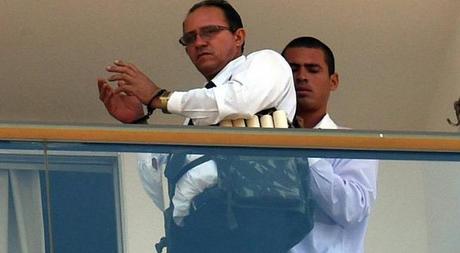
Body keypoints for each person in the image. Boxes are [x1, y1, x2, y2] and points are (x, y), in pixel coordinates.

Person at [97, 0, 296, 126]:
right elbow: (163, 182)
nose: (199, 42)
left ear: (238, 37)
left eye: (210, 31)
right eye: (190, 38)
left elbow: (237, 102)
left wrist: (160, 98)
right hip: (209, 196)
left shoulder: (267, 62)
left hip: (267, 193)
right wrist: (138, 122)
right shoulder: (193, 117)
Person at [281, 36, 378, 253]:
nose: (302, 77)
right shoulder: (256, 142)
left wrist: (301, 145)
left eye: (313, 69)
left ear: (333, 81)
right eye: (292, 69)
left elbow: (352, 209)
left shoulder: (356, 143)